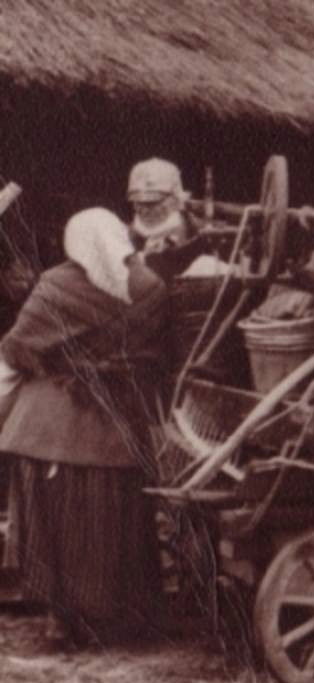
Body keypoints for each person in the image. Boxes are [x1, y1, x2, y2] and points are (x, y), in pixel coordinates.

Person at [0, 207, 206, 649]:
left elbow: (17, 349)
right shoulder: (150, 288)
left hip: (48, 427)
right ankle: (113, 620)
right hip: (116, 428)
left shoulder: (56, 285)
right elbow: (162, 357)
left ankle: (60, 620)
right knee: (111, 531)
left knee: (52, 531)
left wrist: (55, 361)